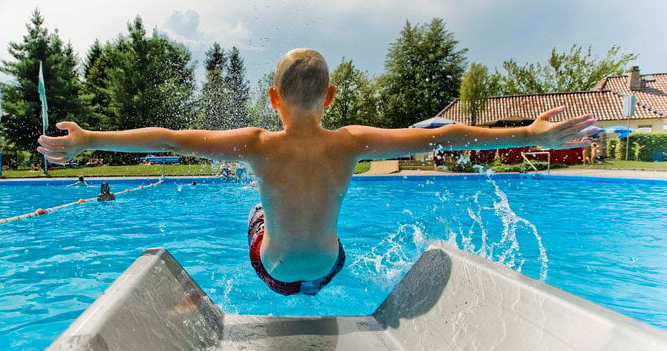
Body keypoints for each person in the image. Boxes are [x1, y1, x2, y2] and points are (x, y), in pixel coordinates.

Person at [38, 48, 595, 296]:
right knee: (321, 229)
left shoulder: (256, 145)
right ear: (330, 95)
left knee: (258, 212)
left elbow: (168, 139)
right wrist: (530, 135)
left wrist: (88, 141)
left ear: (273, 97)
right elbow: (442, 136)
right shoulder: (350, 143)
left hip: (273, 270)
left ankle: (273, 238)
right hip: (331, 265)